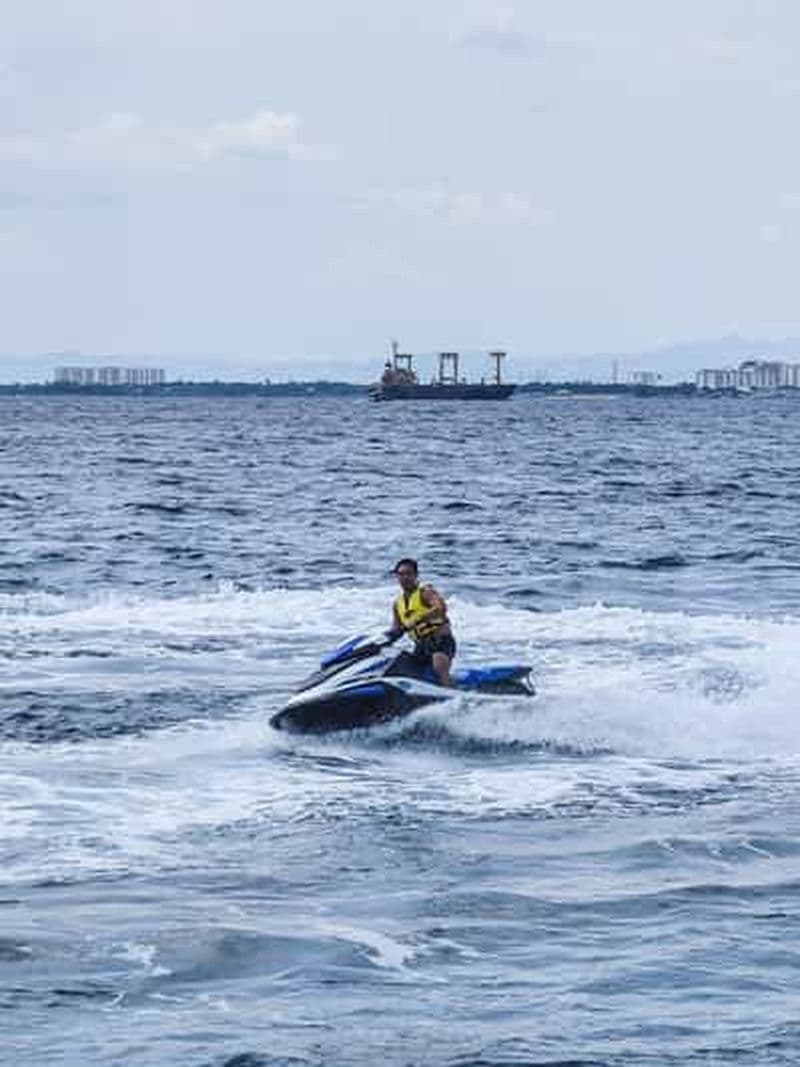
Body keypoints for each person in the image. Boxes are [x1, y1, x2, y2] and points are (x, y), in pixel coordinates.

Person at [387, 558, 456, 686]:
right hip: (421, 647)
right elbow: (395, 629)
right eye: (401, 574)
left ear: (416, 575)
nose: (405, 577)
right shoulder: (397, 603)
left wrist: (417, 620)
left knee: (438, 663)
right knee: (395, 664)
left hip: (441, 642)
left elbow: (441, 608)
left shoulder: (425, 592)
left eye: (408, 573)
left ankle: (450, 694)